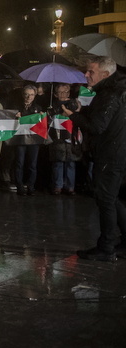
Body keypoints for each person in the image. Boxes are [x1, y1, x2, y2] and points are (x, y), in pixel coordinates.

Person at [63, 58, 126, 262]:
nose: (86, 75)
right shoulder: (113, 91)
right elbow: (102, 117)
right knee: (112, 199)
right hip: (115, 153)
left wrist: (74, 116)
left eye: (91, 72)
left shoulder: (110, 94)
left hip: (110, 155)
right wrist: (84, 111)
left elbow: (98, 126)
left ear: (105, 75)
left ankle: (106, 247)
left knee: (106, 200)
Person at [7, 84, 44, 196]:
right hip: (20, 138)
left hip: (33, 139)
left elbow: (41, 124)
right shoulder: (16, 106)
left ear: (35, 95)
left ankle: (31, 186)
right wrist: (14, 115)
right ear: (23, 95)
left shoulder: (38, 108)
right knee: (19, 162)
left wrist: (42, 117)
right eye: (27, 94)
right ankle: (19, 186)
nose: (29, 97)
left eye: (32, 95)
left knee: (32, 164)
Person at [48, 83, 79, 195]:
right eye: (60, 92)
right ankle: (58, 186)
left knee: (71, 163)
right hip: (57, 137)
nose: (63, 94)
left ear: (69, 93)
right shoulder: (53, 105)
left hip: (71, 137)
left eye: (65, 92)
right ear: (55, 94)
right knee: (58, 162)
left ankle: (70, 187)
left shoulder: (74, 104)